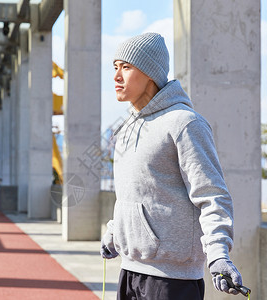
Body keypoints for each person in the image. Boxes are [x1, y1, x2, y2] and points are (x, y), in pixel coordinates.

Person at [100, 32, 244, 300]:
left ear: (150, 74)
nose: (116, 76)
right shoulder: (126, 129)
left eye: (127, 67)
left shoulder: (184, 124)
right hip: (129, 271)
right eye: (115, 67)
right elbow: (131, 193)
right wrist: (114, 232)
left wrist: (218, 254)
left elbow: (212, 195)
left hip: (172, 281)